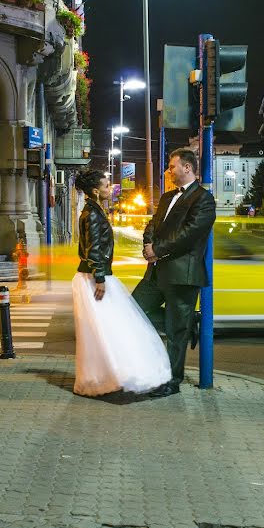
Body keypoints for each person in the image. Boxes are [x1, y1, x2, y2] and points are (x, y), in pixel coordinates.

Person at [72, 170, 171, 397]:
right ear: (96, 191)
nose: (111, 188)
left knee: (105, 329)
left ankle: (108, 374)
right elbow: (93, 249)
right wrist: (99, 278)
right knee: (106, 329)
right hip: (95, 278)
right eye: (107, 185)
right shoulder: (92, 214)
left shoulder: (94, 211)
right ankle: (106, 375)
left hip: (97, 275)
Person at [132, 148, 216, 398]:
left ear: (187, 168)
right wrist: (149, 245)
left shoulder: (203, 199)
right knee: (133, 310)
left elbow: (190, 234)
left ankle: (172, 381)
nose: (169, 171)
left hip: (183, 273)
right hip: (157, 271)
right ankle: (188, 324)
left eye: (172, 166)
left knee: (175, 331)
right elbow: (153, 224)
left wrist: (158, 250)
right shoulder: (167, 197)